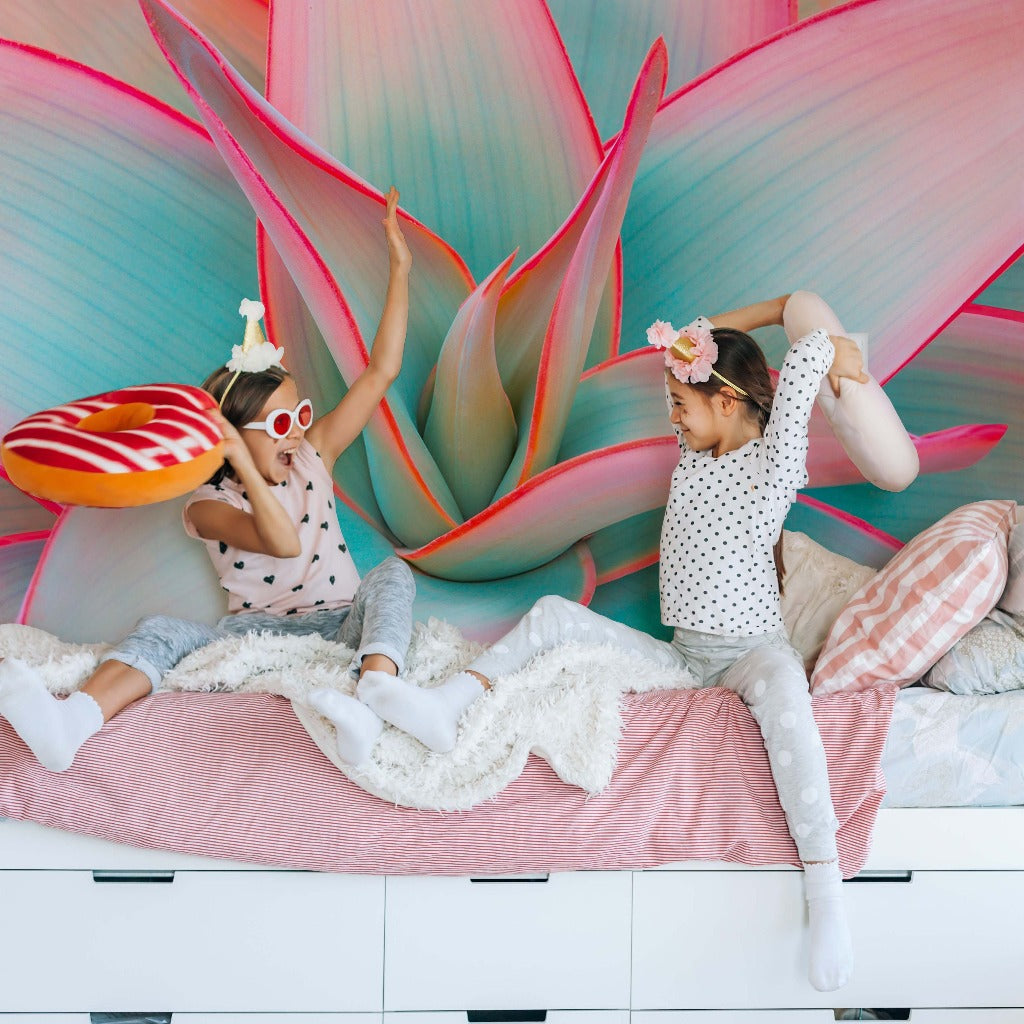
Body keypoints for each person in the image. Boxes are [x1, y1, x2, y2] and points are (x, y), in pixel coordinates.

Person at [358, 294, 867, 992]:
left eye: (681, 403)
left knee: (789, 705)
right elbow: (694, 341)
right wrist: (763, 312)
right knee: (552, 615)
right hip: (685, 656)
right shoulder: (695, 453)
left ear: (726, 401)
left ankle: (826, 888)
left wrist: (817, 335)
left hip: (752, 649)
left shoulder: (770, 467)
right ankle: (450, 703)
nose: (672, 415)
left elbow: (804, 365)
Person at [0, 186, 415, 772]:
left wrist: (401, 266)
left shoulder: (312, 456)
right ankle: (72, 723)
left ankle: (374, 699)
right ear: (233, 434)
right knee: (159, 629)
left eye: (300, 415)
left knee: (393, 575)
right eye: (279, 423)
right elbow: (281, 541)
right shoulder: (206, 504)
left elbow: (381, 371)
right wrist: (243, 465)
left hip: (340, 626)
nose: (297, 432)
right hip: (253, 638)